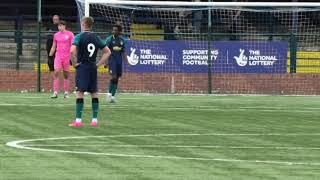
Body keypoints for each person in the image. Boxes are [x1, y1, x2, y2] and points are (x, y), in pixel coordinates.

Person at [69, 17, 111, 127]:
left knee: (79, 92)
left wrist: (74, 64)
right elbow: (108, 52)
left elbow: (72, 50)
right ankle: (94, 120)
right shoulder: (96, 37)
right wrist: (98, 64)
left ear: (83, 24)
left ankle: (78, 121)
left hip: (82, 67)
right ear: (91, 25)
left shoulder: (79, 36)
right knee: (94, 92)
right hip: (93, 67)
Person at [49, 20, 74, 98]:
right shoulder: (56, 35)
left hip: (67, 56)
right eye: (58, 26)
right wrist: (50, 56)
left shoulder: (70, 34)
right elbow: (54, 46)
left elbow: (73, 45)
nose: (59, 27)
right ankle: (55, 92)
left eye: (61, 26)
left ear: (64, 26)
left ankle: (66, 93)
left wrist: (73, 56)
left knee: (66, 74)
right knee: (56, 72)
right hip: (58, 56)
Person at [105, 24, 128, 103]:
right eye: (113, 30)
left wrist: (127, 60)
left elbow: (123, 51)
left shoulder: (122, 40)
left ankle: (113, 96)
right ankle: (109, 93)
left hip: (119, 62)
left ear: (119, 31)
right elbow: (105, 51)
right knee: (113, 77)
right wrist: (106, 62)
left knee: (117, 78)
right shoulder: (109, 39)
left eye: (115, 30)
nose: (113, 31)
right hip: (112, 61)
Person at [46, 15, 60, 81]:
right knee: (50, 60)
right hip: (49, 44)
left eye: (57, 19)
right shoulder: (49, 26)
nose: (55, 20)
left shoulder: (60, 27)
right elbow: (47, 34)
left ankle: (59, 75)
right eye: (54, 19)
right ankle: (54, 77)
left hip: (58, 45)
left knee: (57, 59)